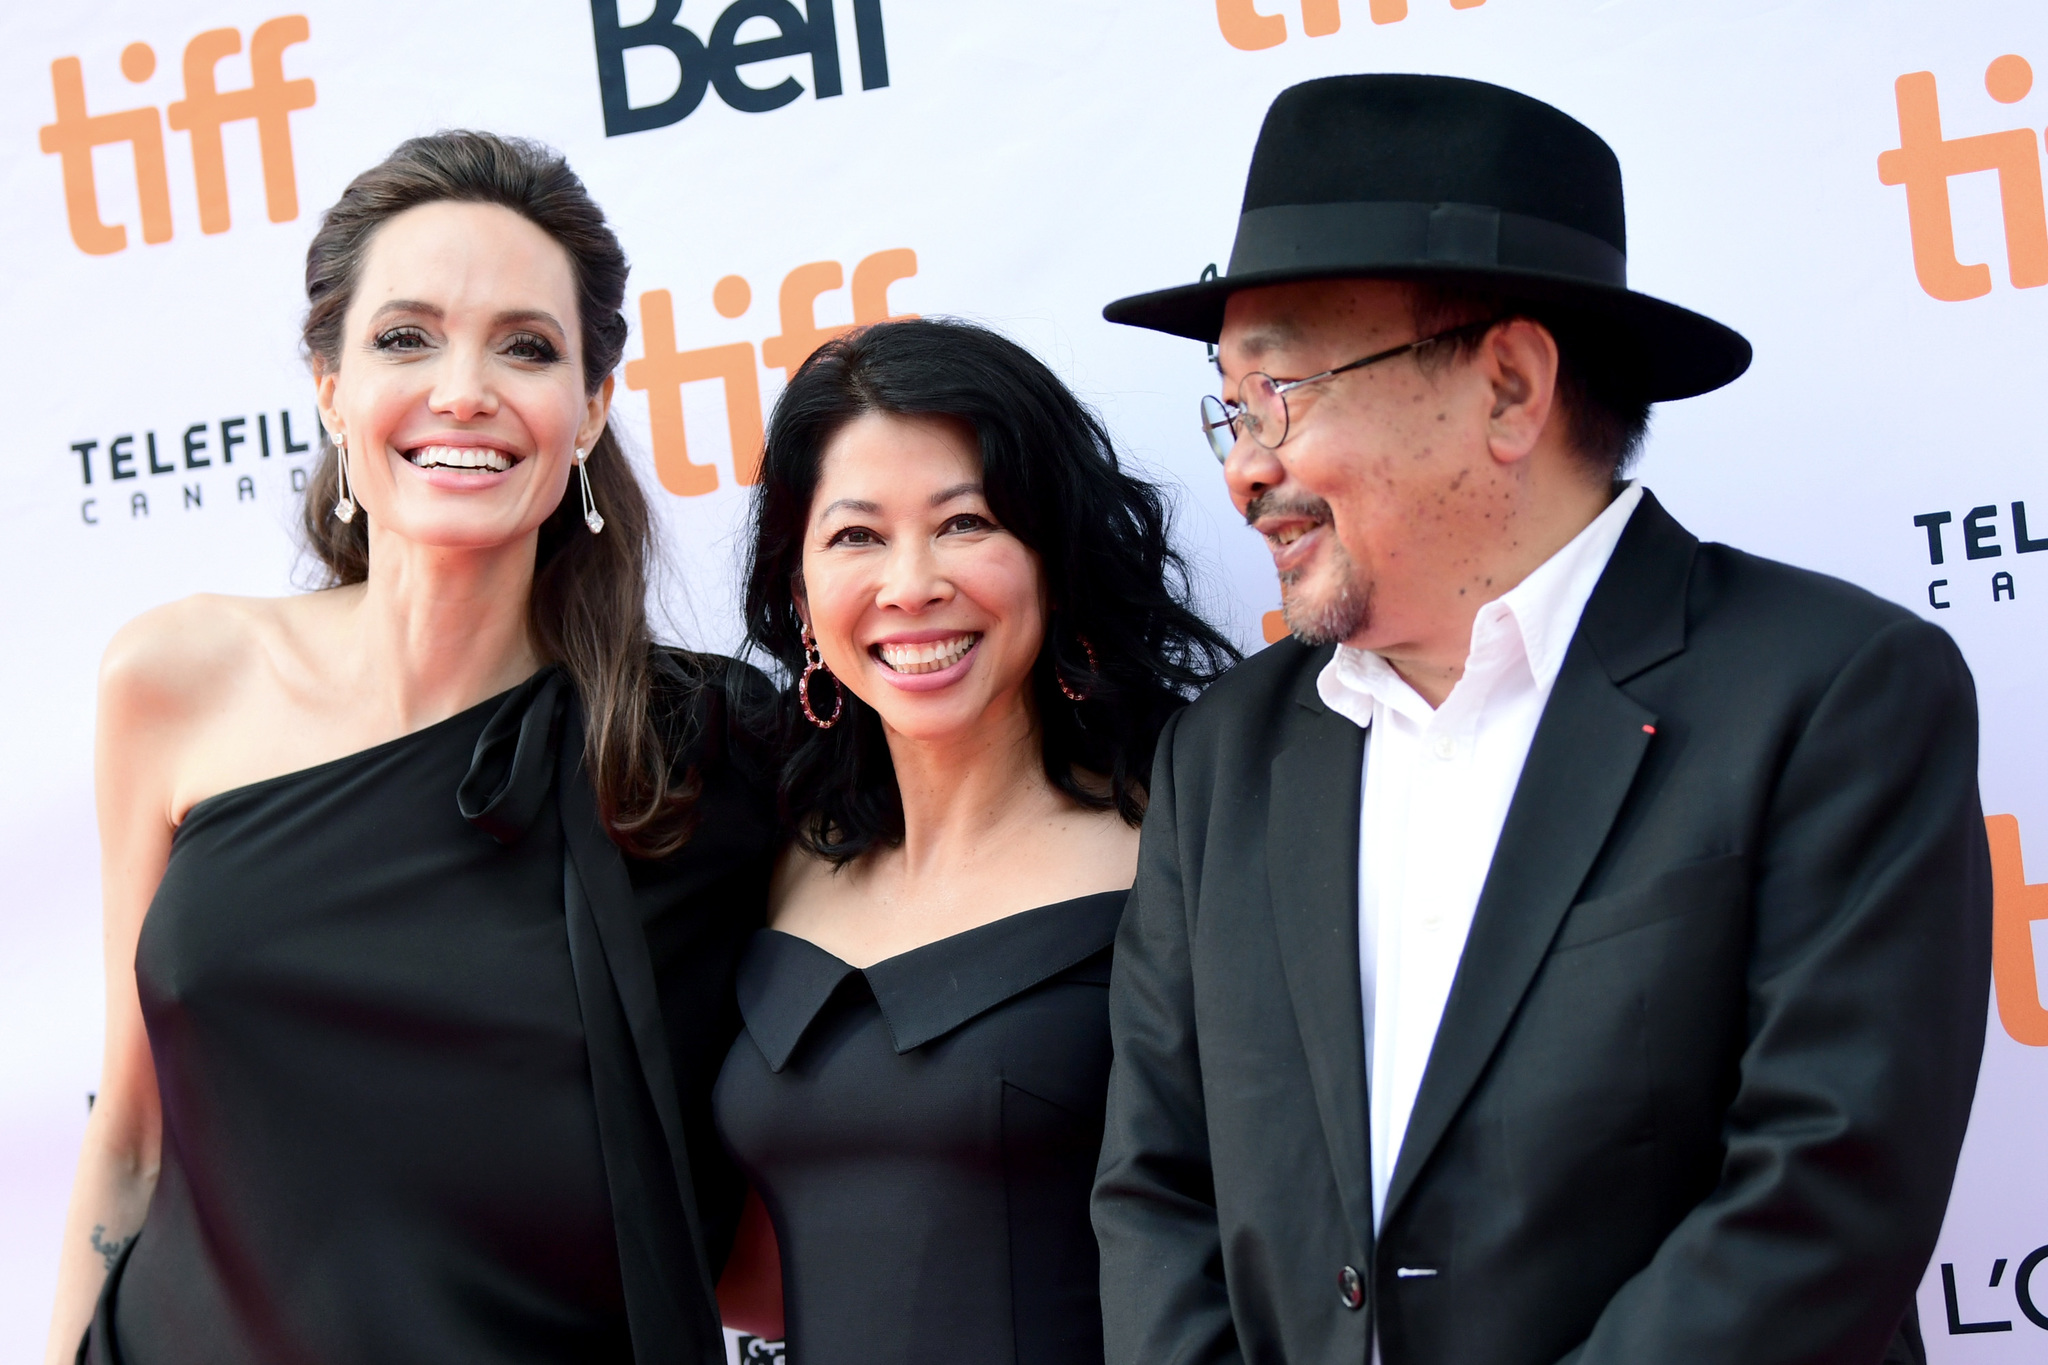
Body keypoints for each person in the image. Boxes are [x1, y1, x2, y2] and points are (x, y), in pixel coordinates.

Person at [1091, 74, 1991, 1365]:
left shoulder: (1831, 691)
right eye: (1231, 406)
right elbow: (1160, 1193)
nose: (1245, 464)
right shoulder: (1225, 755)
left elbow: (1822, 1195)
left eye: (1284, 391)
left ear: (1509, 387)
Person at [44, 132, 775, 1365]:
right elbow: (130, 1141)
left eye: (527, 348)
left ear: (591, 408)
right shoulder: (175, 680)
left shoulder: (694, 751)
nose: (464, 390)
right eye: (405, 337)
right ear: (327, 383)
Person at [710, 318, 1236, 1365]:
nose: (910, 584)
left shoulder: (1182, 842)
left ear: (1052, 555)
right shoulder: (767, 851)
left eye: (964, 523)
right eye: (855, 536)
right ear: (801, 592)